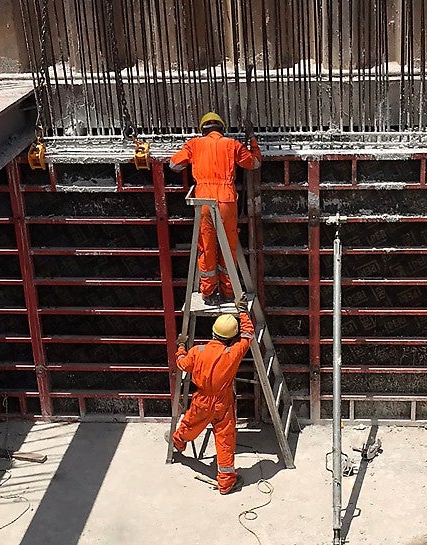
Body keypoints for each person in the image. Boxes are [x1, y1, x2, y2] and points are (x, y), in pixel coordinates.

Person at [169, 112, 262, 306]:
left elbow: (174, 165)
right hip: (227, 200)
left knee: (207, 246)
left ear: (203, 129)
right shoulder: (232, 144)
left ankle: (209, 293)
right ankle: (229, 292)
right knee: (228, 246)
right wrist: (252, 139)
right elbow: (254, 163)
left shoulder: (194, 144)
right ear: (222, 128)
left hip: (203, 200)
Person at [168, 296, 253, 494]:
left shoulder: (197, 351)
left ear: (213, 332)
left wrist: (181, 347)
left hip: (202, 399)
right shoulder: (233, 354)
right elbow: (248, 334)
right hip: (223, 402)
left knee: (190, 423)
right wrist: (243, 312)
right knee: (225, 441)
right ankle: (226, 483)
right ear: (231, 337)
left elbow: (182, 364)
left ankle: (178, 442)